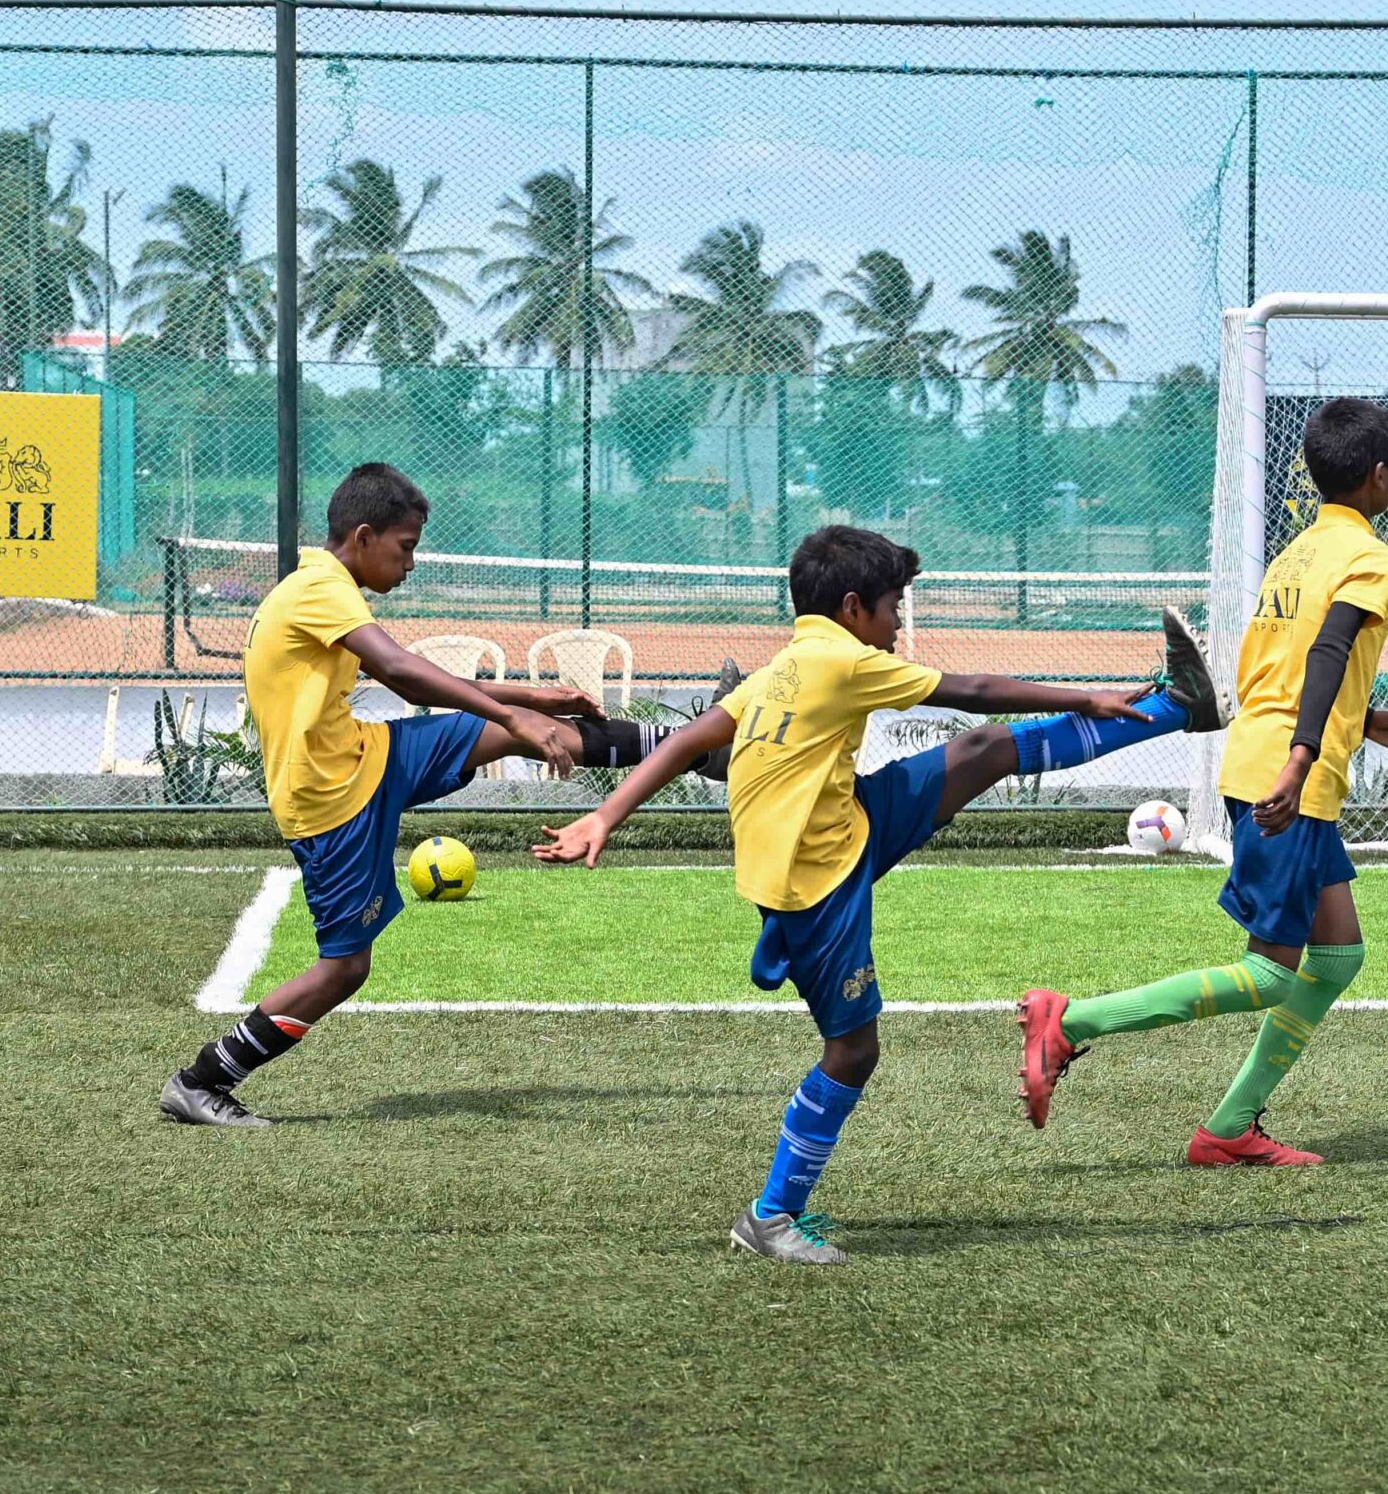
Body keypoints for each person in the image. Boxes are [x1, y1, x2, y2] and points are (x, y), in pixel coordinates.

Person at [532, 523, 1223, 1264]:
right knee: (854, 1050)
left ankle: (1181, 707)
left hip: (848, 822)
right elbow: (976, 688)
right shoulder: (842, 662)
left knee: (983, 749)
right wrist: (1086, 694)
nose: (900, 627)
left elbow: (688, 738)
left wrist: (606, 814)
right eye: (896, 609)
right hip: (816, 884)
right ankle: (771, 1217)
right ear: (855, 606)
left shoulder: (785, 666)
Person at [159, 462, 719, 1129]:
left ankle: (704, 746)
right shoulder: (319, 590)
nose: (412, 562)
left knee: (503, 732)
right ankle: (204, 1079)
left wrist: (528, 700)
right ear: (363, 536)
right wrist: (520, 716)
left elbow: (407, 678)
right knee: (344, 969)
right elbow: (403, 670)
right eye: (406, 546)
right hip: (332, 800)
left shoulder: (324, 589)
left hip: (368, 755)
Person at [1014, 398, 1388, 1165]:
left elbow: (1280, 666)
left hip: (1270, 761)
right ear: (1380, 476)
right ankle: (1071, 1022)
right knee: (1271, 972)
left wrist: (1366, 722)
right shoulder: (1370, 557)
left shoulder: (1294, 555)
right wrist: (1303, 759)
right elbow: (1330, 650)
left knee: (1337, 956)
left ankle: (1231, 1127)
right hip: (1289, 777)